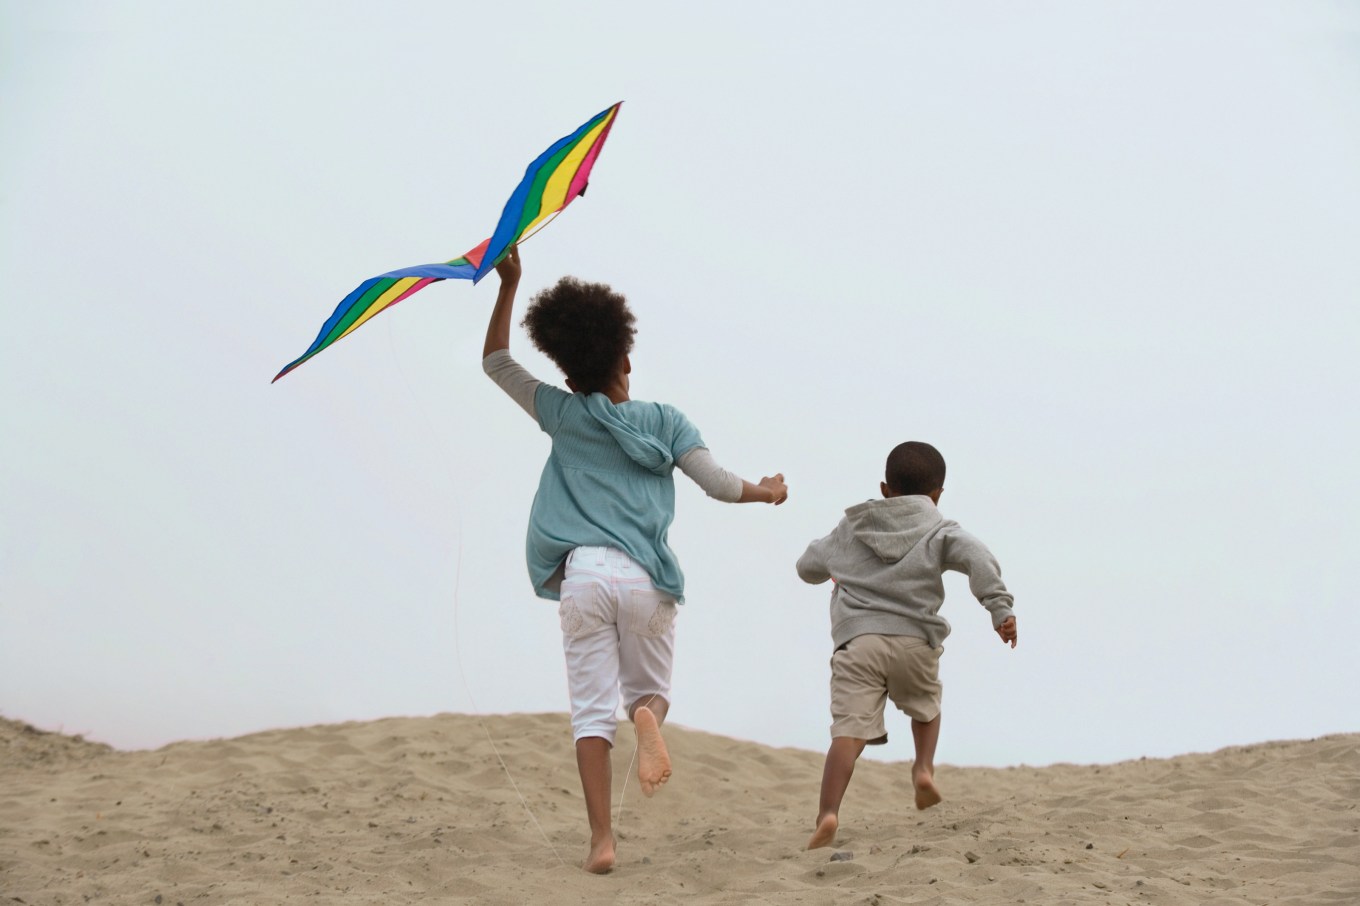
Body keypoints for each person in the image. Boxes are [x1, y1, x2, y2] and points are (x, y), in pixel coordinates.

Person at [483, 246, 788, 873]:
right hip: (647, 579)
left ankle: (601, 841)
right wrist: (767, 489)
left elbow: (495, 362)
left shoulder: (563, 412)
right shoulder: (665, 422)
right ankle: (647, 718)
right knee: (648, 693)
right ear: (626, 357)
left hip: (585, 576)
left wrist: (508, 283)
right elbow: (720, 484)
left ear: (570, 376)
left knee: (591, 713)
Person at [796, 440, 1016, 850]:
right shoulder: (941, 529)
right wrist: (998, 608)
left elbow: (808, 565)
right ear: (938, 495)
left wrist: (835, 566)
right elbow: (978, 557)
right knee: (926, 708)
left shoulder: (853, 526)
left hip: (858, 643)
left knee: (848, 731)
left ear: (884, 488)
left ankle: (828, 813)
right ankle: (923, 770)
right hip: (916, 642)